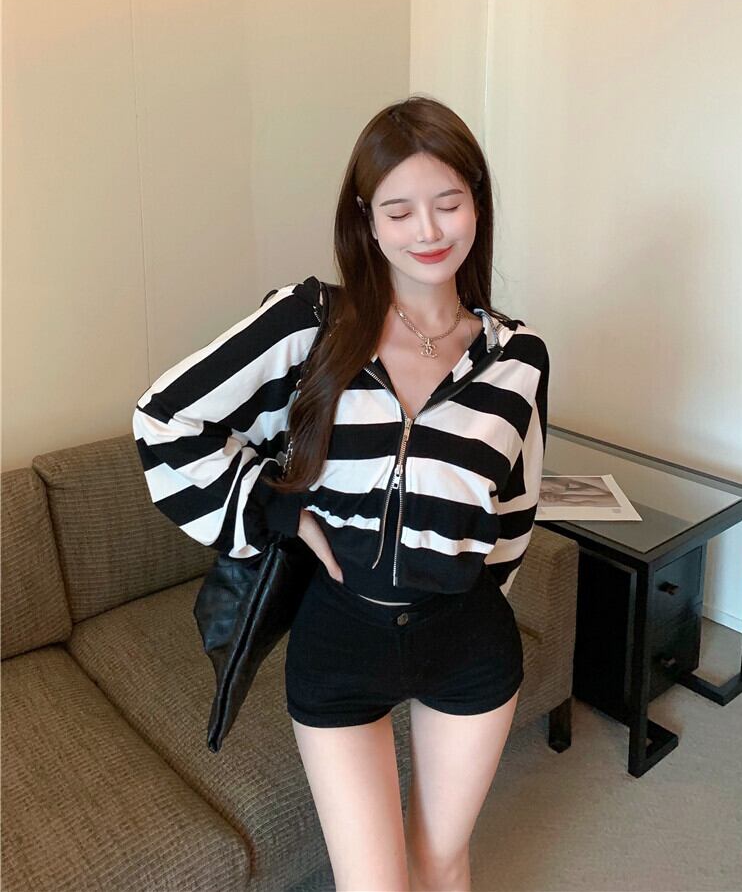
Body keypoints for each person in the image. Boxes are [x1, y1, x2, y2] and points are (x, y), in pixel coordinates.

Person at [132, 95, 549, 892]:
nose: (427, 231)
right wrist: (275, 508)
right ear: (367, 220)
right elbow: (165, 418)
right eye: (399, 210)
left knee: (442, 861)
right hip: (340, 641)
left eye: (448, 202)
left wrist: (465, 580)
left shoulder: (517, 357)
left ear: (477, 204)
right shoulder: (312, 325)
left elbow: (514, 510)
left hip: (467, 641)